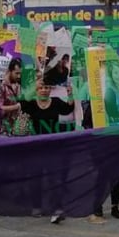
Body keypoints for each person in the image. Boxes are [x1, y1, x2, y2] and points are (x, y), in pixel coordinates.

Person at [20, 75, 75, 223]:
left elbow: (68, 108)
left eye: (47, 88)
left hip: (53, 146)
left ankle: (56, 208)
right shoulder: (31, 104)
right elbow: (22, 102)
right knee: (36, 178)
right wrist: (33, 85)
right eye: (41, 88)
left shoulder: (56, 102)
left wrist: (70, 93)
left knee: (54, 178)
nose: (44, 90)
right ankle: (36, 206)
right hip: (35, 147)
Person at [0, 58, 23, 135]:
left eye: (20, 73)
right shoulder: (2, 86)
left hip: (15, 129)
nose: (19, 76)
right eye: (16, 73)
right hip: (3, 131)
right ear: (10, 71)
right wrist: (16, 107)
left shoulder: (18, 85)